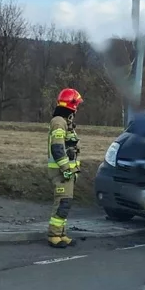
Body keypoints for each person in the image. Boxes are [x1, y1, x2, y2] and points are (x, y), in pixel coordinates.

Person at [46, 88, 84, 248]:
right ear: (72, 105)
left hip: (68, 172)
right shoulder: (59, 122)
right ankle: (54, 235)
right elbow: (57, 148)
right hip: (61, 172)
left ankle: (61, 233)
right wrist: (65, 168)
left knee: (65, 203)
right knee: (61, 202)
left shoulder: (65, 122)